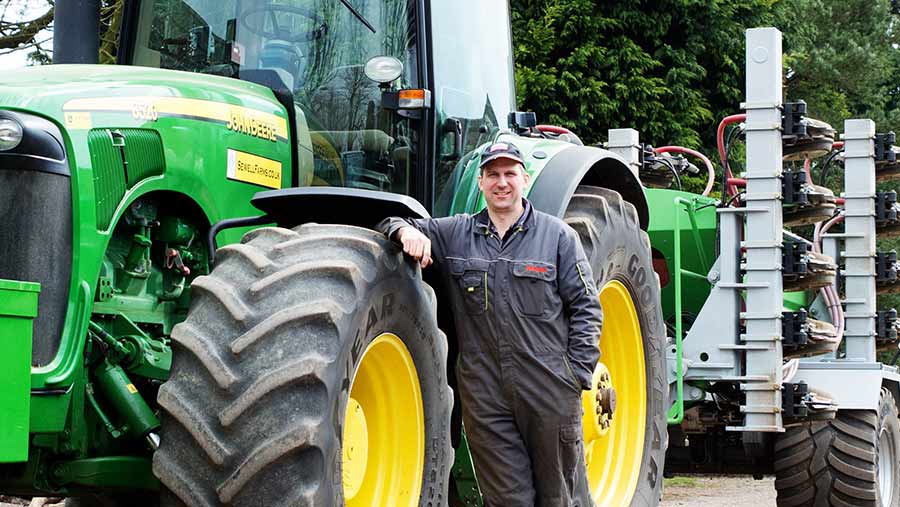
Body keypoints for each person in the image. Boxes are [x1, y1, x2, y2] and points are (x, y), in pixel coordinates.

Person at [376, 140, 603, 507]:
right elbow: (391, 219)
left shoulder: (558, 236)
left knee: (561, 496)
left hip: (548, 387)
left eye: (510, 173)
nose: (502, 182)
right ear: (480, 182)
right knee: (506, 499)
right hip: (485, 395)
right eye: (493, 174)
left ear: (524, 179)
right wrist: (406, 233)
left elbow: (586, 309)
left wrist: (574, 374)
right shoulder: (455, 233)